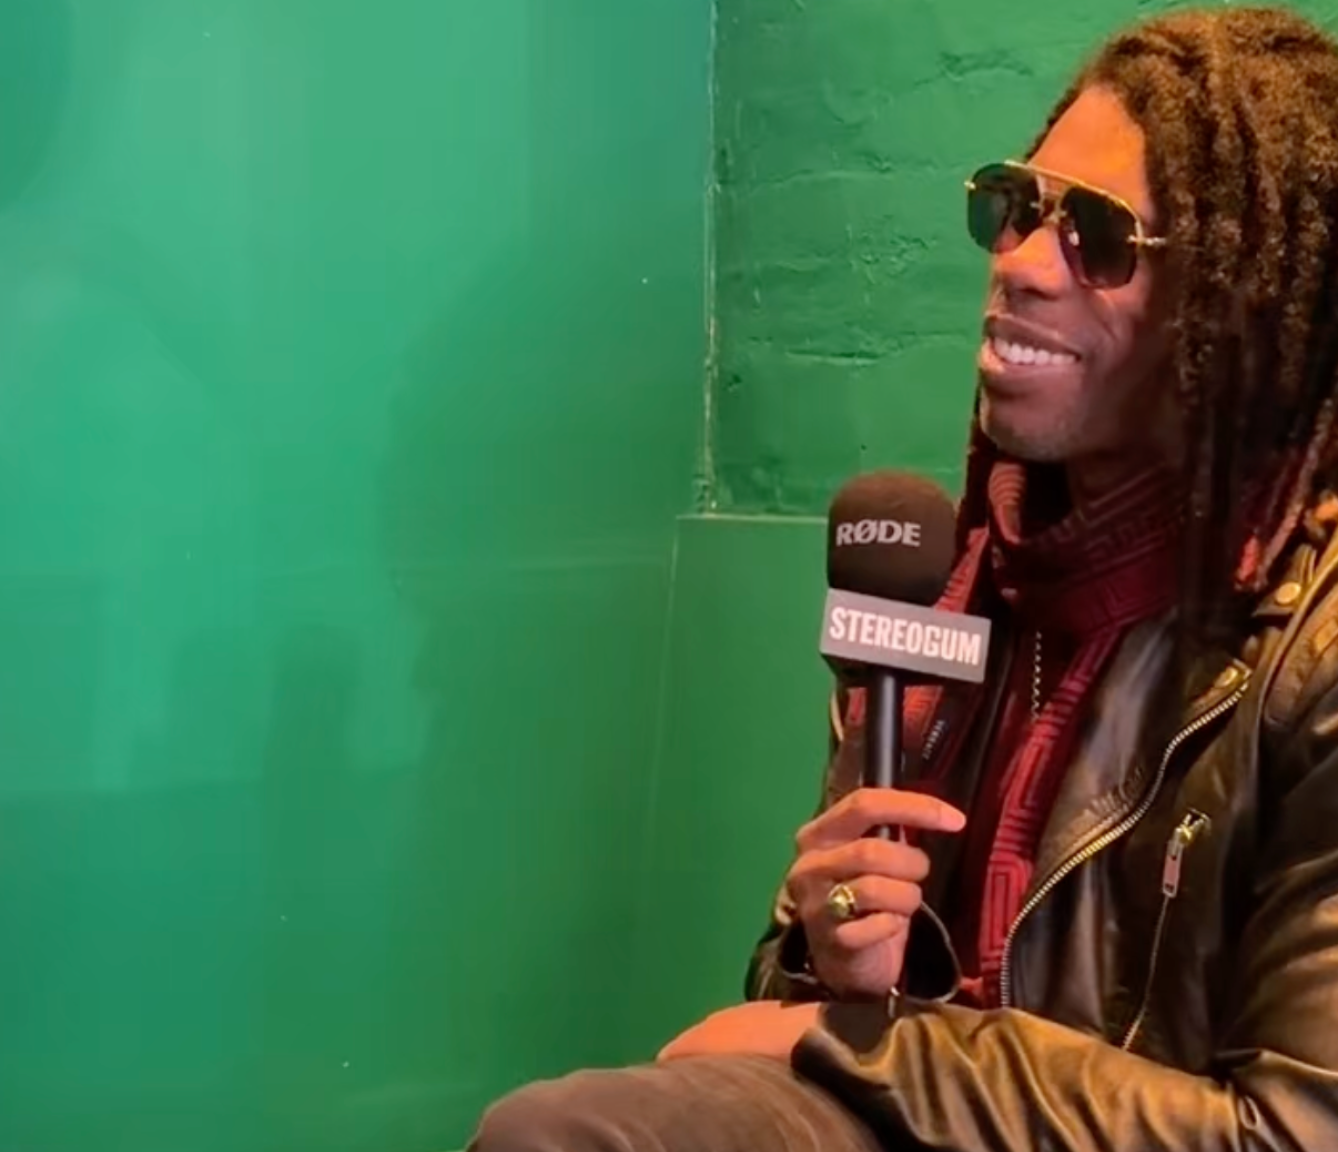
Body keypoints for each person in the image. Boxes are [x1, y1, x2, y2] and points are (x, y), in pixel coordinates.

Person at [469, 6, 1338, 1151]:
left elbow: (1293, 1129)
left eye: (1097, 236)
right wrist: (823, 950)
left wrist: (862, 1046)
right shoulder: (954, 580)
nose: (1017, 263)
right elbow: (799, 998)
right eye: (1016, 206)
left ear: (1240, 303)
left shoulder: (1309, 655)